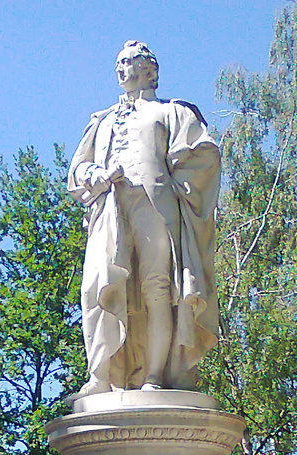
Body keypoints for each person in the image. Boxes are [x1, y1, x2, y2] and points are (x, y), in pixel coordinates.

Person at [69, 40, 220, 394]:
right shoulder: (102, 119)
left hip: (157, 207)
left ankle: (155, 377)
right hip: (111, 209)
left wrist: (178, 188)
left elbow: (204, 155)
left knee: (157, 289)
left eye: (127, 62)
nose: (120, 69)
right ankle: (101, 376)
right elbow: (77, 169)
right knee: (98, 285)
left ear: (148, 69)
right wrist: (94, 174)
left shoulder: (172, 112)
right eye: (118, 64)